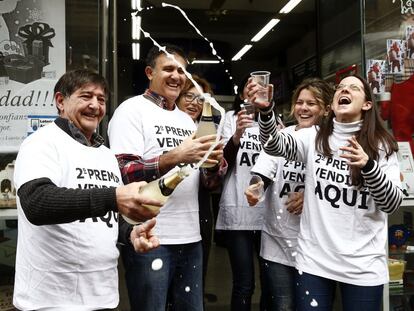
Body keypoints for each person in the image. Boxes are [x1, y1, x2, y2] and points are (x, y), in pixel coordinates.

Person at [249, 74, 403, 311]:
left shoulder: (382, 146)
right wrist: (267, 111)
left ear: (367, 104)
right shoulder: (313, 138)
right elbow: (273, 146)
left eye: (353, 88)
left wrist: (368, 167)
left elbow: (391, 204)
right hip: (314, 262)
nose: (345, 90)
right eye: (341, 87)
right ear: (332, 105)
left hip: (362, 266)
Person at [13, 69, 162, 310]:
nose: (95, 105)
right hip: (50, 300)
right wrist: (112, 197)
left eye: (101, 99)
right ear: (60, 101)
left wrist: (129, 233)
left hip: (101, 295)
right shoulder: (41, 143)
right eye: (86, 96)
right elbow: (36, 203)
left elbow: (111, 214)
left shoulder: (105, 154)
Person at [108, 44, 225, 311]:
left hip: (191, 238)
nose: (176, 76)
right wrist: (174, 156)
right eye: (168, 69)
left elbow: (208, 183)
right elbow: (124, 171)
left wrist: (213, 165)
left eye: (182, 70)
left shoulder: (187, 121)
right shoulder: (131, 110)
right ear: (150, 72)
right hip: (149, 237)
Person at [245, 78, 333, 311]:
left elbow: (343, 185)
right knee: (283, 306)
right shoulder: (284, 137)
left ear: (326, 109)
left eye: (312, 103)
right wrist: (255, 186)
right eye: (299, 102)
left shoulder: (333, 141)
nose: (303, 108)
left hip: (317, 245)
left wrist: (311, 197)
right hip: (278, 239)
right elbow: (263, 171)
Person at [215, 75, 265, 311]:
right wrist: (236, 135)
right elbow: (220, 162)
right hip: (238, 212)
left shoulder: (273, 121)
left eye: (260, 85)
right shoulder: (229, 118)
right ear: (242, 92)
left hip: (268, 215)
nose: (254, 88)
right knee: (244, 283)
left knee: (271, 282)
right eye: (249, 85)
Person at [176, 74, 218, 304]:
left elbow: (212, 183)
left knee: (193, 282)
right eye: (188, 96)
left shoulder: (208, 133)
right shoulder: (162, 125)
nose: (194, 102)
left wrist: (214, 165)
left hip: (200, 210)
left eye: (200, 99)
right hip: (165, 214)